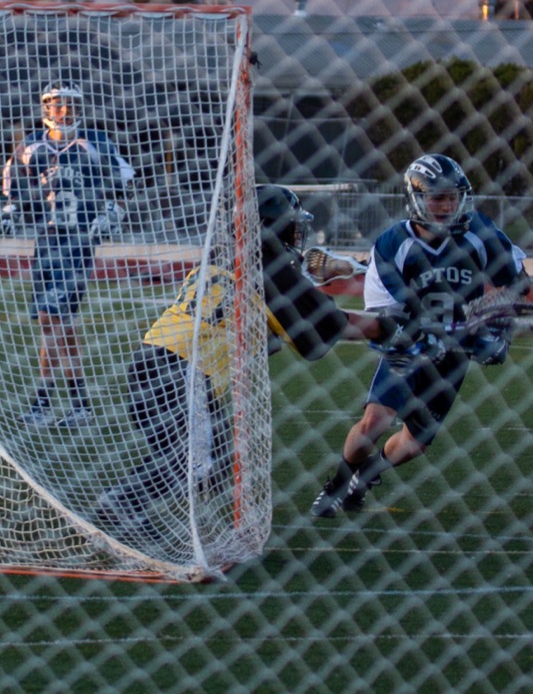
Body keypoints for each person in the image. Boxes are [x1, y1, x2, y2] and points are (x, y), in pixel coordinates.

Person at [95, 184, 384, 541]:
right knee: (201, 465)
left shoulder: (227, 256)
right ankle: (121, 505)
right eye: (291, 226)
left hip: (155, 364)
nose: (297, 234)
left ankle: (128, 506)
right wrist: (392, 323)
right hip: (184, 373)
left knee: (217, 464)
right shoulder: (270, 271)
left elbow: (264, 329)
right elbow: (326, 329)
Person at [311, 154, 528, 517]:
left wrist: (494, 326)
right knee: (375, 420)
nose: (445, 205)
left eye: (451, 197)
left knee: (416, 443)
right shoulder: (394, 243)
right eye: (436, 197)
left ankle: (366, 477)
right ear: (415, 198)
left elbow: (516, 283)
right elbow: (386, 316)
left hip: (454, 352)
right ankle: (336, 484)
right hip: (407, 348)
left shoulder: (480, 233)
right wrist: (422, 336)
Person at [0, 81, 133, 428]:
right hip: (46, 241)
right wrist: (9, 214)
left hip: (78, 242)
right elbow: (16, 192)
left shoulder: (96, 143)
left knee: (50, 318)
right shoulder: (30, 145)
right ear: (46, 108)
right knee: (54, 322)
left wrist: (112, 212)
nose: (64, 111)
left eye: (69, 104)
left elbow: (123, 187)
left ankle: (46, 404)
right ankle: (77, 405)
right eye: (56, 104)